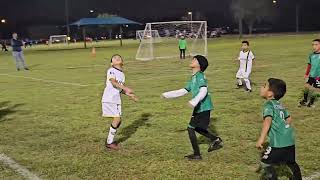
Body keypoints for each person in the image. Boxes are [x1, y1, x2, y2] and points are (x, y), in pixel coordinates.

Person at [162, 55, 223, 160]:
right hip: (199, 106)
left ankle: (197, 154)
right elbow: (183, 91)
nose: (192, 60)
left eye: (194, 60)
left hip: (203, 106)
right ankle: (216, 140)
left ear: (199, 65)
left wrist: (194, 101)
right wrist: (167, 94)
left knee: (191, 128)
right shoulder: (193, 77)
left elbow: (203, 90)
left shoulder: (200, 76)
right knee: (197, 128)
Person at [257, 78, 302, 180]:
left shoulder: (268, 105)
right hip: (289, 140)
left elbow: (267, 121)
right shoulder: (280, 105)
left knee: (265, 162)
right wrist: (284, 129)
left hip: (277, 143)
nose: (261, 87)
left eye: (264, 86)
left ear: (270, 94)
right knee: (291, 163)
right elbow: (289, 119)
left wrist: (262, 138)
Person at [102, 54, 138, 150]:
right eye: (114, 58)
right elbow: (113, 82)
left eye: (119, 57)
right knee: (117, 119)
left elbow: (118, 88)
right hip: (109, 98)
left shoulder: (122, 74)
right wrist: (126, 88)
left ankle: (110, 140)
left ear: (122, 62)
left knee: (118, 120)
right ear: (111, 63)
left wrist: (129, 94)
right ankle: (109, 142)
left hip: (115, 99)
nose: (117, 57)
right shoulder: (111, 70)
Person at [299, 39, 320, 108]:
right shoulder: (311, 55)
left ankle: (311, 102)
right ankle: (305, 101)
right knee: (306, 87)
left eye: (316, 44)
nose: (314, 46)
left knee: (316, 89)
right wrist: (306, 74)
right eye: (313, 45)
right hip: (312, 75)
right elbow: (309, 65)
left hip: (318, 76)